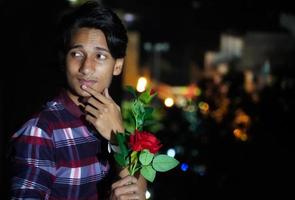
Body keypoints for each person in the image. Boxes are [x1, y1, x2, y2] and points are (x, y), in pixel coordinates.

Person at [9, 1, 146, 199]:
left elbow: (136, 187)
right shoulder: (42, 130)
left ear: (117, 65)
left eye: (99, 56)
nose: (86, 68)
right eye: (77, 54)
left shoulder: (110, 117)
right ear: (64, 60)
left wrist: (118, 136)